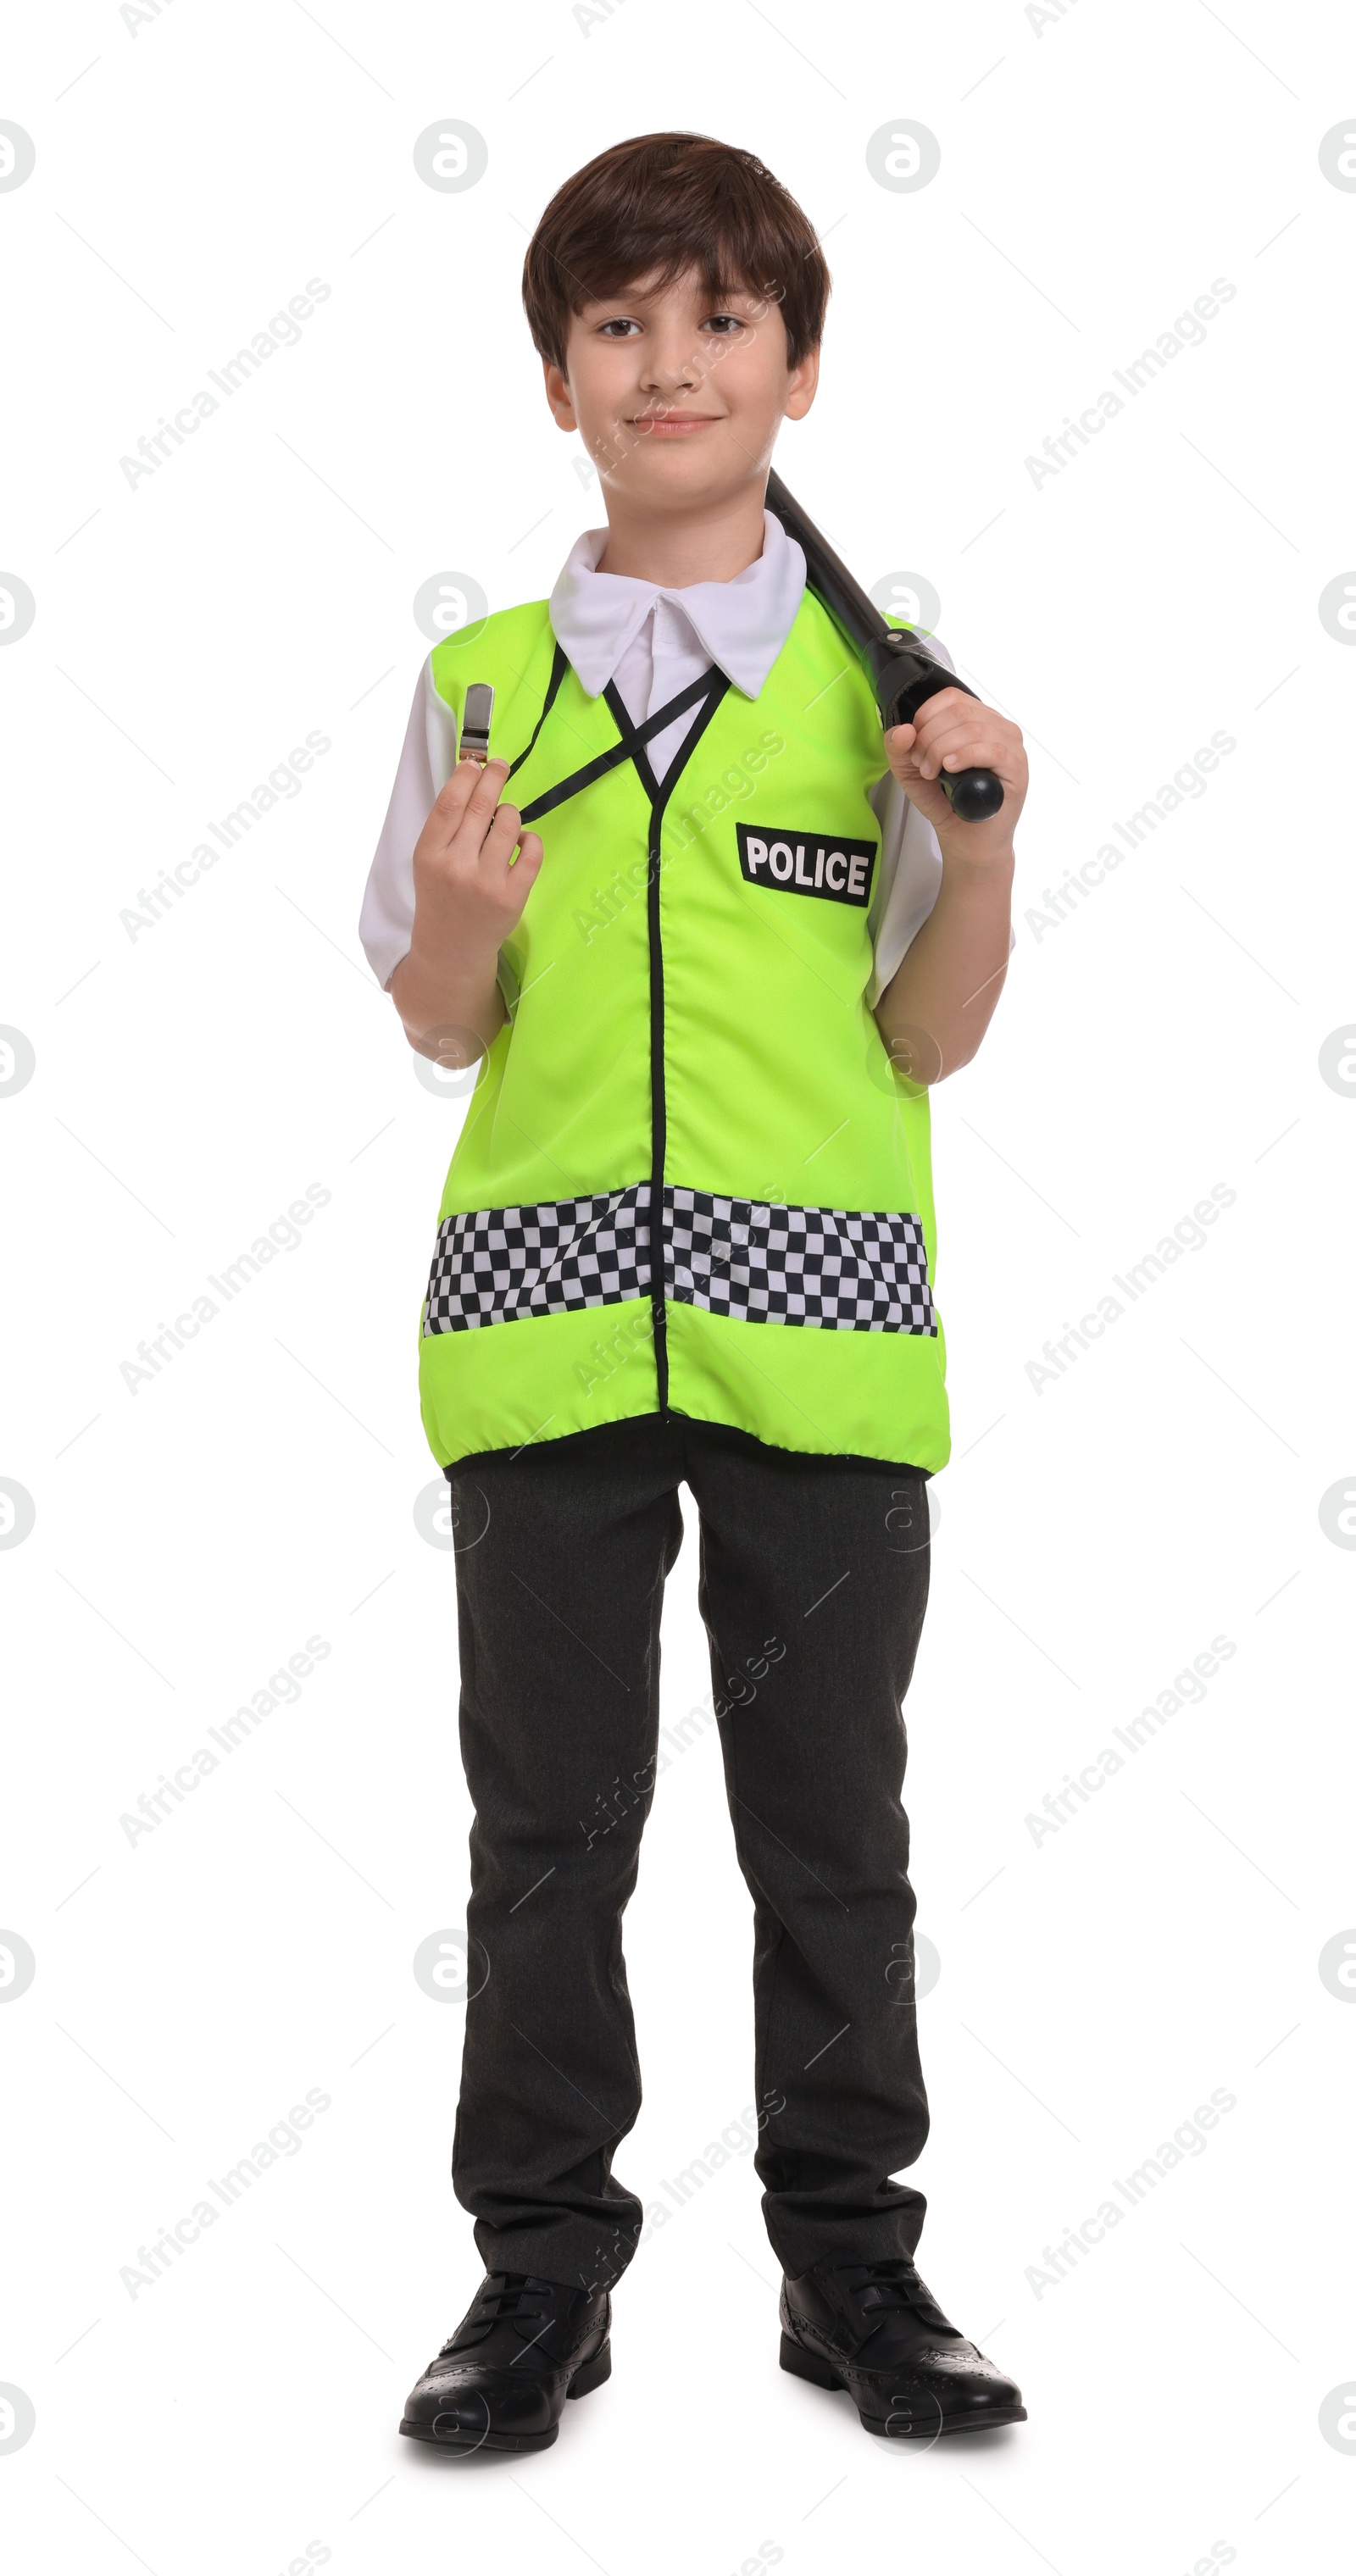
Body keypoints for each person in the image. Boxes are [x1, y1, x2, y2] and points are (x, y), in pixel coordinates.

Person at [358, 130, 1030, 2452]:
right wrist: (461, 909)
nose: (672, 363)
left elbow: (932, 1037)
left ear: (801, 365)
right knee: (550, 1838)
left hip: (824, 1366)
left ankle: (858, 2270)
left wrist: (984, 848)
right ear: (558, 382)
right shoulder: (477, 683)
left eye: (721, 320)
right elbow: (443, 1020)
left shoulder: (889, 707)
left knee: (832, 1825)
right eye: (619, 325)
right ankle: (538, 2279)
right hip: (542, 1360)